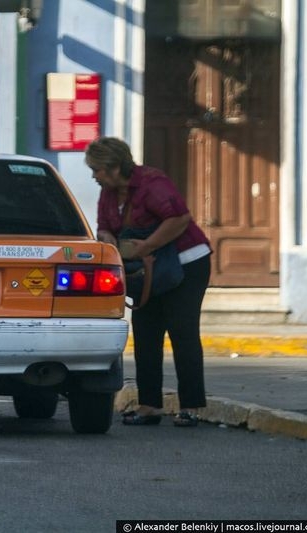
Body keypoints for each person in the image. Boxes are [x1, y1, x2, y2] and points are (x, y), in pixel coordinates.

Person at [84, 137, 212, 427]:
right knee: (145, 334)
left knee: (183, 331)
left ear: (114, 167)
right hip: (146, 271)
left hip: (185, 263)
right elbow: (104, 227)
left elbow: (179, 219)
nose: (94, 176)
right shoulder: (107, 193)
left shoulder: (152, 183)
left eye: (97, 170)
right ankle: (149, 405)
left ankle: (192, 406)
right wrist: (109, 241)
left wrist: (145, 246)